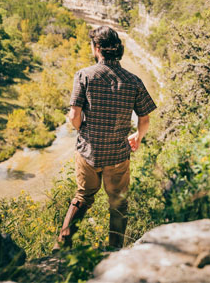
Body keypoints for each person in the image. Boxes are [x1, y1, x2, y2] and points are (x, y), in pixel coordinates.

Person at [53, 25, 157, 251]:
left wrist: (82, 130)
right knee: (118, 202)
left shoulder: (84, 75)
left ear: (97, 48)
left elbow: (74, 116)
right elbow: (145, 118)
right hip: (118, 154)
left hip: (88, 152)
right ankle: (115, 250)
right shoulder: (134, 81)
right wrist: (138, 137)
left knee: (82, 196)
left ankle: (62, 245)